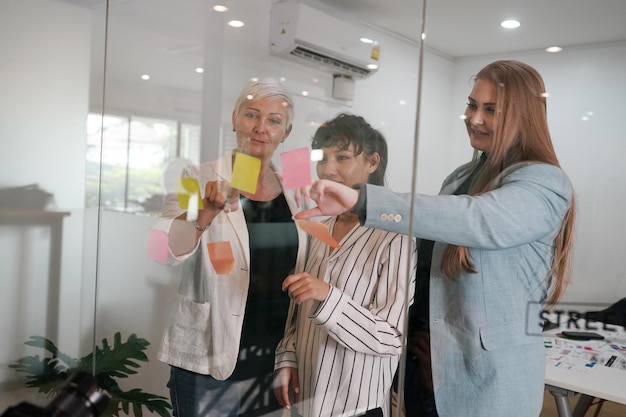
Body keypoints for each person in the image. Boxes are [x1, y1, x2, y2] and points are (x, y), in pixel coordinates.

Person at [291, 60, 576, 417]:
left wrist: (364, 200)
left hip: (487, 380)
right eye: (472, 105)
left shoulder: (544, 182)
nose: (474, 118)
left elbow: (480, 220)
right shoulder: (460, 177)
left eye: (491, 109)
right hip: (428, 370)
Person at [152, 78, 308, 417]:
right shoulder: (197, 175)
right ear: (236, 118)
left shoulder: (295, 190)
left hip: (273, 357)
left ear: (287, 131)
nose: (261, 128)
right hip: (210, 360)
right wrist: (203, 213)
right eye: (252, 115)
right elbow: (160, 251)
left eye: (274, 121)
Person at [273, 113, 417, 417]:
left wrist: (329, 296)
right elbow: (297, 307)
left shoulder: (395, 236)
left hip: (356, 406)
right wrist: (287, 358)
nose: (328, 169)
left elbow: (391, 337)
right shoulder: (316, 224)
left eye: (342, 157)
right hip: (306, 399)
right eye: (322, 158)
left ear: (372, 162)